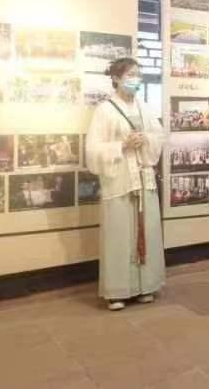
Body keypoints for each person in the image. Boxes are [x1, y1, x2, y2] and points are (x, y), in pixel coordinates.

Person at [86, 57, 166, 311]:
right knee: (119, 234)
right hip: (119, 179)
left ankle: (146, 286)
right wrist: (122, 145)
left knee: (147, 230)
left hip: (143, 177)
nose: (135, 79)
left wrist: (146, 139)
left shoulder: (144, 106)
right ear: (116, 78)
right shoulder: (105, 110)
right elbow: (92, 149)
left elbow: (159, 135)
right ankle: (117, 291)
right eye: (130, 74)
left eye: (138, 75)